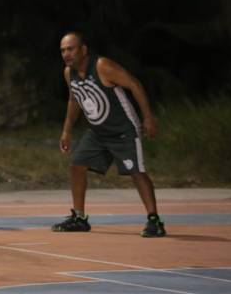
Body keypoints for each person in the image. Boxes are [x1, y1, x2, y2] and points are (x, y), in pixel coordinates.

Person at [52, 32, 166, 237]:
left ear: (83, 50)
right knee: (77, 164)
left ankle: (154, 220)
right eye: (62, 50)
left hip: (123, 130)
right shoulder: (69, 73)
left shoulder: (102, 66)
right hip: (98, 132)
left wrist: (148, 118)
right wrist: (67, 130)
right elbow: (74, 100)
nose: (66, 54)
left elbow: (135, 84)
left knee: (137, 171)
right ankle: (79, 218)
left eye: (70, 48)